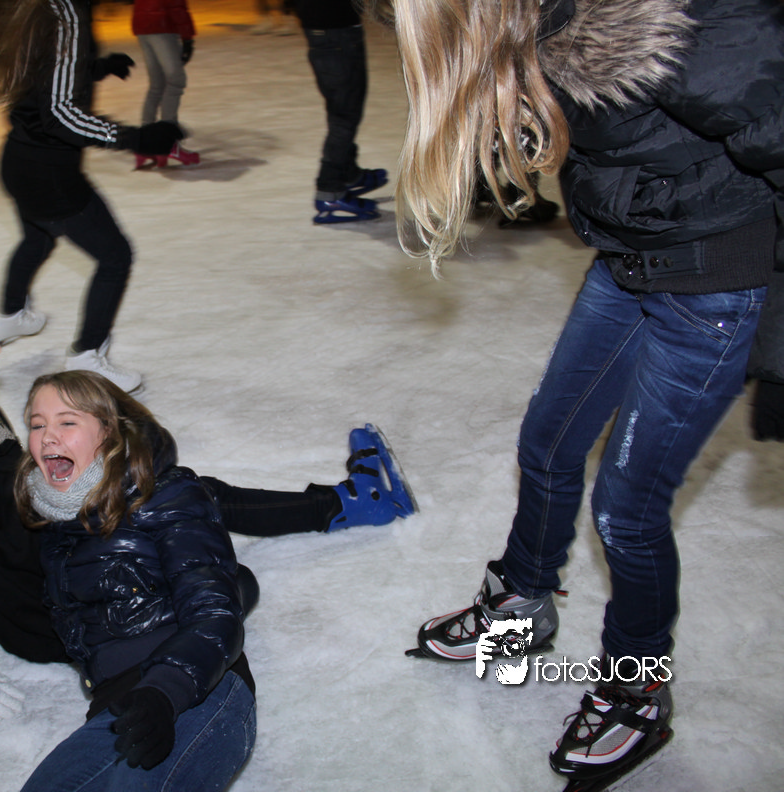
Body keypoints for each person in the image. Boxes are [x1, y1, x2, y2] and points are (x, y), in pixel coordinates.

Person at [379, 0, 783, 788]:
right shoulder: (537, 19)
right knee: (549, 442)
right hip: (630, 259)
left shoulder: (686, 23)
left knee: (626, 510)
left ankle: (638, 687)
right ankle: (521, 603)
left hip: (716, 287)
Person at [0, 282, 415, 727]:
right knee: (206, 538)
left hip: (56, 540)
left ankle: (339, 505)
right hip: (58, 604)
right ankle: (345, 503)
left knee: (179, 488)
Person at [16, 370, 255, 789]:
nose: (48, 437)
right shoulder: (53, 526)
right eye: (37, 425)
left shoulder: (166, 493)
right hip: (114, 706)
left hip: (197, 687)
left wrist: (164, 692)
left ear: (109, 431)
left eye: (67, 421)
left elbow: (213, 611)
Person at [0, 0, 189, 393]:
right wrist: (137, 138)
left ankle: (11, 315)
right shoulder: (69, 10)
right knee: (115, 256)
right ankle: (87, 356)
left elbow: (43, 77)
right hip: (50, 174)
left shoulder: (47, 5)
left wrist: (94, 68)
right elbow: (60, 116)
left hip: (18, 161)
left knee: (38, 237)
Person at [298, 0, 389, 225]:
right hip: (337, 35)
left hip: (327, 33)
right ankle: (329, 191)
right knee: (345, 116)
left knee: (341, 110)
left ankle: (347, 172)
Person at [130, 0, 199, 168]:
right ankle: (167, 142)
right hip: (161, 24)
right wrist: (188, 38)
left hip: (142, 21)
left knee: (157, 85)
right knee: (175, 80)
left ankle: (145, 145)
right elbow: (176, 6)